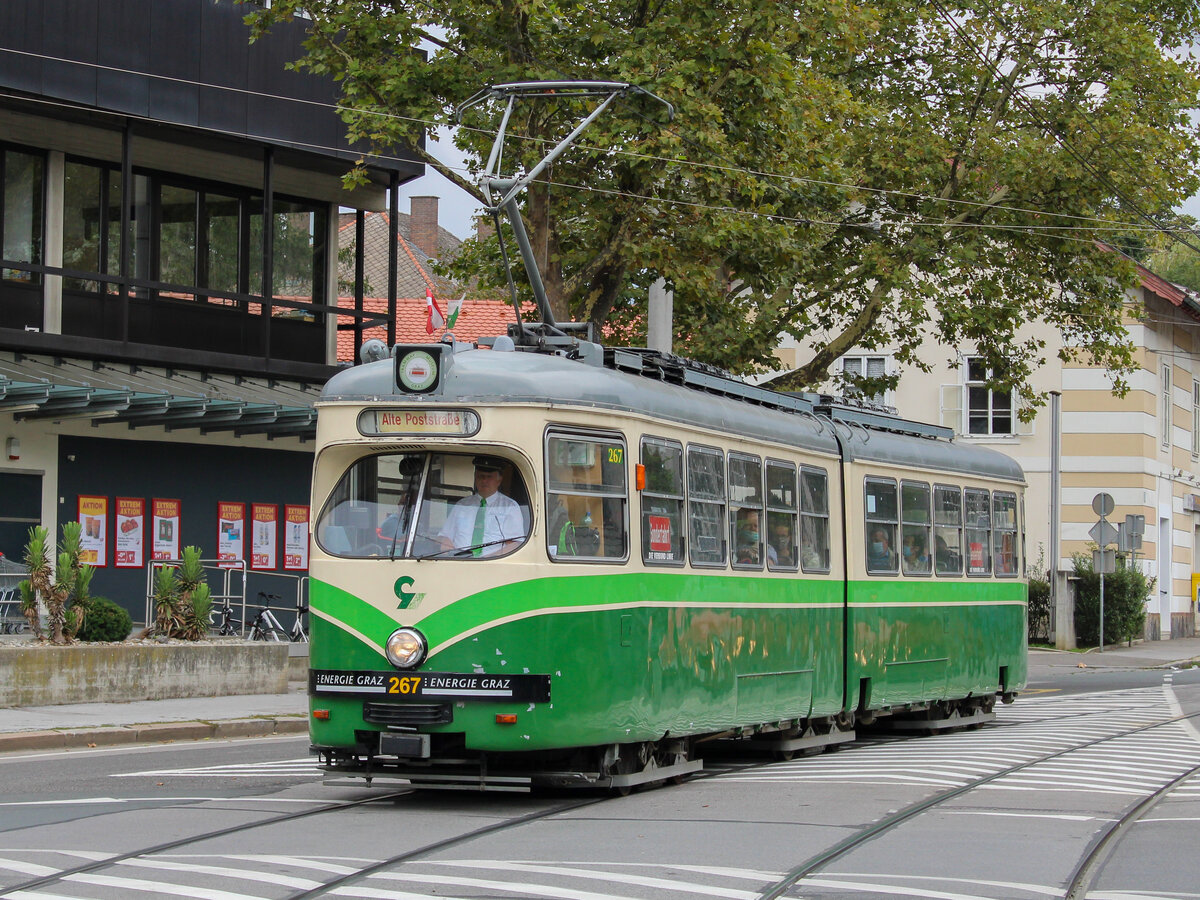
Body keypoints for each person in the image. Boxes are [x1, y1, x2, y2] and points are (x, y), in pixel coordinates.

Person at [438, 456, 526, 557]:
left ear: (499, 480)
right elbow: (443, 536)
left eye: (489, 477)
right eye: (481, 476)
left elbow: (515, 544)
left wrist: (487, 559)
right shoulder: (462, 505)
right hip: (459, 562)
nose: (484, 481)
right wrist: (445, 543)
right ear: (475, 478)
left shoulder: (510, 507)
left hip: (492, 565)